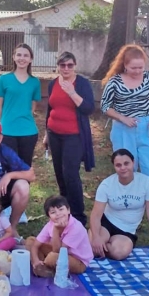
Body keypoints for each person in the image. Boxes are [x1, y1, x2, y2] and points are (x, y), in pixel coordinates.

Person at [101, 44, 149, 217]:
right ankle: (125, 212)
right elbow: (105, 106)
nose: (137, 71)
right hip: (124, 129)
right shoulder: (114, 82)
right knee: (126, 171)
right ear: (124, 65)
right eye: (133, 68)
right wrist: (122, 118)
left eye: (140, 67)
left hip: (148, 128)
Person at [44, 51, 96, 225]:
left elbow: (89, 108)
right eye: (62, 65)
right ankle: (63, 212)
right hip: (54, 134)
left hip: (73, 136)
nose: (66, 68)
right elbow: (50, 109)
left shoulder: (82, 84)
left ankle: (79, 216)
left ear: (75, 66)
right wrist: (46, 133)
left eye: (70, 65)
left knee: (70, 174)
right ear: (58, 66)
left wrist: (73, 93)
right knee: (59, 174)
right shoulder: (53, 84)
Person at [88, 149, 149, 261]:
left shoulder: (146, 183)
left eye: (126, 163)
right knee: (94, 247)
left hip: (128, 229)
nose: (123, 168)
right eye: (118, 165)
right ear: (114, 167)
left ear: (133, 162)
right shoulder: (106, 185)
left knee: (119, 253)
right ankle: (94, 240)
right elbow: (96, 215)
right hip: (107, 223)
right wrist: (97, 237)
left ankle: (102, 245)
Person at [0, 43, 41, 166]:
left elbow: (33, 105)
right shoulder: (3, 79)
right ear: (13, 57)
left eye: (26, 55)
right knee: (8, 167)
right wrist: (2, 124)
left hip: (28, 132)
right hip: (7, 131)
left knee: (24, 168)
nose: (22, 58)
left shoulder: (35, 82)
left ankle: (24, 186)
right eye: (19, 55)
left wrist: (23, 118)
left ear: (30, 59)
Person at [26, 195, 93, 277]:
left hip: (78, 261)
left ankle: (48, 270)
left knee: (52, 258)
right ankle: (41, 267)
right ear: (49, 216)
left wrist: (56, 230)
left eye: (61, 209)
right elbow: (35, 245)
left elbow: (59, 252)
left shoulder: (76, 227)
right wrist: (35, 261)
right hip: (58, 254)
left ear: (68, 210)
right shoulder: (50, 224)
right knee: (30, 241)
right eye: (53, 212)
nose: (58, 214)